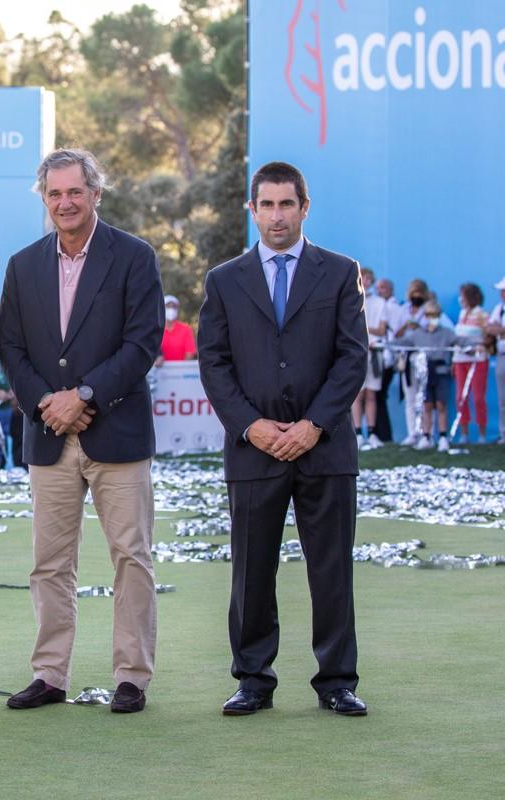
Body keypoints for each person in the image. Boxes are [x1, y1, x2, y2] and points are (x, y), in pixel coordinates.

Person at [197, 161, 369, 717]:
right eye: (266, 205)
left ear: (304, 208)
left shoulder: (341, 273)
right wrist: (252, 425)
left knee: (332, 570)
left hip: (327, 447)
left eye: (286, 204)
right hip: (254, 449)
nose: (276, 215)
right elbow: (214, 363)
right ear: (252, 210)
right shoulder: (224, 280)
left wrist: (314, 425)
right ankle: (252, 679)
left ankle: (338, 681)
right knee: (251, 572)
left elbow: (352, 357)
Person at [0, 148, 162, 714]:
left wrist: (85, 395)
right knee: (49, 564)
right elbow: (11, 349)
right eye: (54, 193)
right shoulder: (22, 265)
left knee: (131, 557)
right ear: (43, 199)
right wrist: (47, 402)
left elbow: (143, 343)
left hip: (116, 435)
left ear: (96, 193)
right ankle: (49, 674)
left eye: (75, 191)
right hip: (48, 436)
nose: (65, 202)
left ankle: (131, 677)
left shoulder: (134, 257)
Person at [389, 301, 475, 452]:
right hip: (425, 374)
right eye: (429, 315)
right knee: (426, 405)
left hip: (441, 372)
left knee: (441, 405)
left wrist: (473, 345)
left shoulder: (446, 333)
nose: (432, 318)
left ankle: (442, 437)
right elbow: (400, 342)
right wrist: (381, 343)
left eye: (435, 315)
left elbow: (461, 341)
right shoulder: (418, 334)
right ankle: (426, 436)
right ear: (426, 316)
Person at [352, 268, 387, 450]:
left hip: (374, 353)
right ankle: (357, 432)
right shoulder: (352, 299)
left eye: (369, 278)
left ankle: (372, 432)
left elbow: (382, 330)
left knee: (372, 394)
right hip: (357, 352)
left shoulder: (380, 302)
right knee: (357, 394)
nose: (366, 281)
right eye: (363, 277)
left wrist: (365, 330)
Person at [451, 283, 490, 443]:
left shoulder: (482, 314)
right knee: (461, 397)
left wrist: (483, 345)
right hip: (460, 360)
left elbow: (489, 335)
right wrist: (454, 361)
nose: (461, 299)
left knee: (478, 398)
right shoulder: (462, 314)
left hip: (477, 360)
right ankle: (464, 433)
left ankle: (482, 434)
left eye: (464, 295)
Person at [371, 278, 404, 443]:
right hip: (381, 355)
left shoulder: (393, 307)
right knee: (377, 396)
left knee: (378, 395)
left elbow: (393, 331)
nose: (379, 290)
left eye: (383, 287)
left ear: (391, 289)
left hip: (386, 356)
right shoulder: (381, 305)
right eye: (378, 287)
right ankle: (380, 433)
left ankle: (382, 433)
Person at [486, 277, 505, 444]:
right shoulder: (499, 309)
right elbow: (490, 328)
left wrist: (499, 330)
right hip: (501, 356)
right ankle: (503, 434)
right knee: (502, 398)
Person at [158, 294, 197, 364]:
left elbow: (190, 353)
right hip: (159, 372)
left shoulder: (186, 329)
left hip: (180, 371)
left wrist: (180, 370)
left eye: (174, 307)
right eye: (168, 306)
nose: (171, 309)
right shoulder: (157, 330)